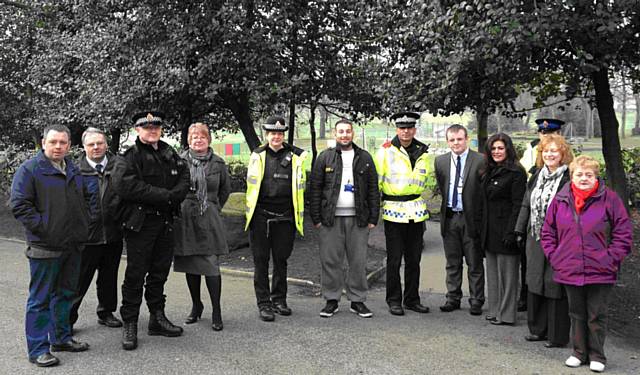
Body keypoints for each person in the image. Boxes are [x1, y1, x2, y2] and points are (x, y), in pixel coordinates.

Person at [541, 155, 632, 373]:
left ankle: (597, 355)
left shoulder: (609, 199)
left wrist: (611, 258)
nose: (584, 178)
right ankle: (578, 352)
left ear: (596, 176)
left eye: (588, 175)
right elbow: (547, 232)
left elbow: (623, 232)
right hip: (569, 267)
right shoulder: (560, 199)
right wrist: (556, 257)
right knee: (576, 313)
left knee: (596, 315)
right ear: (572, 176)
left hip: (600, 269)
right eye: (579, 174)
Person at [10, 125, 90, 367]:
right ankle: (37, 349)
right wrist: (45, 229)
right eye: (53, 142)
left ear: (69, 145)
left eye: (63, 143)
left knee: (65, 295)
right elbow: (20, 205)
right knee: (40, 299)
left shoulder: (72, 169)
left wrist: (84, 225)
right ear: (43, 143)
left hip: (72, 245)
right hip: (45, 247)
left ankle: (61, 338)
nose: (58, 147)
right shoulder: (30, 170)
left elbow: (83, 200)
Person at [112, 111, 190, 350]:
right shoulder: (129, 156)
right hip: (141, 224)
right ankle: (130, 322)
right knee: (136, 274)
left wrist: (175, 195)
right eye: (146, 127)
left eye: (156, 126)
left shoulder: (169, 153)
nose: (152, 130)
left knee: (159, 273)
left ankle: (157, 318)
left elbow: (184, 177)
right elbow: (126, 186)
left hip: (166, 222)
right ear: (137, 129)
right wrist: (166, 196)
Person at [309, 119, 380, 318]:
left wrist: (373, 216)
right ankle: (331, 299)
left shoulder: (364, 157)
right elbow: (315, 189)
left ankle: (357, 301)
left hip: (359, 219)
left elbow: (373, 189)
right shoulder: (325, 157)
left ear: (353, 134)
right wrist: (316, 218)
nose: (344, 135)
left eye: (348, 131)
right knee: (331, 260)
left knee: (358, 261)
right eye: (341, 131)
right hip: (330, 219)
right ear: (335, 134)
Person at [245, 116, 308, 322]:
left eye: (280, 134)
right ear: (267, 135)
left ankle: (279, 300)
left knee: (281, 261)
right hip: (261, 216)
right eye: (273, 133)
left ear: (284, 136)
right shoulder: (258, 155)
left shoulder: (296, 156)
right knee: (261, 262)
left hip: (285, 217)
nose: (276, 137)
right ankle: (264, 303)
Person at [514, 133, 572, 349]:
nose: (549, 154)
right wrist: (519, 229)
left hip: (560, 240)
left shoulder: (569, 177)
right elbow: (526, 203)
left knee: (554, 283)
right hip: (535, 236)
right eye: (546, 151)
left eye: (554, 151)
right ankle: (537, 330)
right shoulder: (536, 175)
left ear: (562, 153)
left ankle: (556, 335)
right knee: (535, 280)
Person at [173, 123, 231, 331]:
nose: (198, 140)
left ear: (209, 140)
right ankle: (196, 306)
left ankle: (216, 310)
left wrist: (211, 207)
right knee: (191, 264)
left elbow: (225, 191)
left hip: (209, 217)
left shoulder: (218, 163)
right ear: (188, 140)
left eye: (202, 137)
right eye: (194, 137)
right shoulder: (179, 162)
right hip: (186, 218)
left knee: (211, 265)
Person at [374, 112, 431, 316]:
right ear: (397, 129)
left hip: (416, 211)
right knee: (395, 259)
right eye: (402, 128)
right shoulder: (386, 152)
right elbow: (376, 183)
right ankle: (394, 300)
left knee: (414, 259)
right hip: (394, 211)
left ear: (414, 129)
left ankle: (412, 299)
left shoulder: (423, 151)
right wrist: (374, 212)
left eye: (409, 127)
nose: (406, 131)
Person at [69, 127, 124, 331]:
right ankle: (68, 318)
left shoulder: (119, 168)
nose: (96, 147)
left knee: (109, 278)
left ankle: (106, 312)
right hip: (86, 237)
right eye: (91, 144)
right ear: (84, 148)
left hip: (113, 234)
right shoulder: (75, 172)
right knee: (79, 280)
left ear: (106, 144)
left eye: (99, 143)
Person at [434, 124, 485, 315]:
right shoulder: (440, 161)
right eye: (452, 140)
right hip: (450, 217)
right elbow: (443, 185)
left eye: (459, 139)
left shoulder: (480, 160)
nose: (456, 143)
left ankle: (476, 300)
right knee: (452, 262)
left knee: (474, 262)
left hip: (471, 219)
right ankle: (452, 298)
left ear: (467, 139)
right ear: (448, 141)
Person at [517, 118, 564, 312]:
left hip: (556, 224)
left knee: (551, 270)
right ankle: (527, 299)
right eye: (543, 133)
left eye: (550, 133)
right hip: (534, 216)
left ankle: (552, 313)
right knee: (530, 266)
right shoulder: (531, 149)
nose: (546, 136)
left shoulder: (565, 155)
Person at [479, 133, 527, 325]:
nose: (497, 152)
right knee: (493, 274)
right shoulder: (489, 171)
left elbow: (518, 204)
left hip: (507, 231)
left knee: (508, 277)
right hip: (490, 230)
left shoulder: (516, 172)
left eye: (500, 148)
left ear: (508, 149)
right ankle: (494, 310)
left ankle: (507, 315)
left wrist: (513, 231)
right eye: (493, 149)